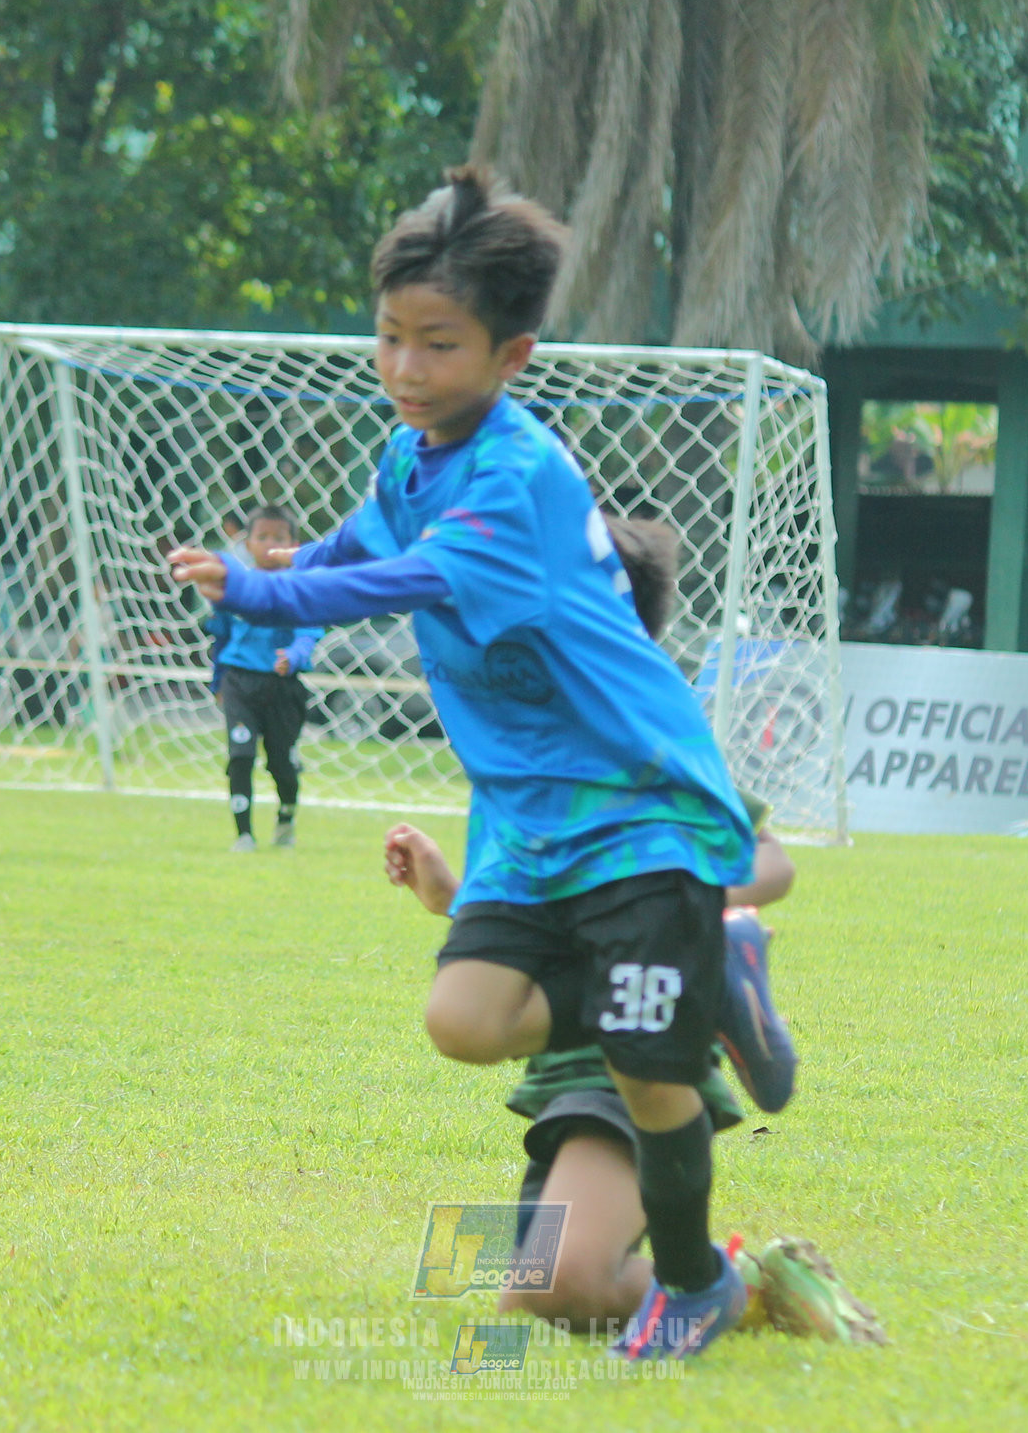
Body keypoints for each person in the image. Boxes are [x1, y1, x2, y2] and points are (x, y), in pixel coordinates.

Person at [169, 166, 794, 1359]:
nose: (403, 366)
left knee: (644, 1078)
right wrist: (302, 563)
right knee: (461, 1017)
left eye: (436, 344)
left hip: (631, 797)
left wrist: (262, 586)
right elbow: (371, 535)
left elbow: (406, 577)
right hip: (527, 812)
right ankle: (692, 997)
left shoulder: (514, 477)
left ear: (511, 355)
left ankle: (694, 1279)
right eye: (390, 337)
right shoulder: (413, 454)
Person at [378, 521, 873, 1345]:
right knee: (533, 1294)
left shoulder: (646, 739)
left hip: (635, 1057)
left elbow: (770, 861)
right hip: (567, 1067)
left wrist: (672, 910)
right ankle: (734, 1271)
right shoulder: (520, 752)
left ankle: (739, 1279)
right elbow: (538, 925)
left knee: (567, 1281)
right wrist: (451, 898)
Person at [202, 507, 322, 851]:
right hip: (239, 683)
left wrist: (294, 655)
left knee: (281, 762)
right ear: (248, 543)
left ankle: (285, 821)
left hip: (283, 686)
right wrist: (218, 683)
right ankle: (243, 835)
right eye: (262, 537)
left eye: (279, 538)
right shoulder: (236, 589)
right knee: (240, 754)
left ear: (293, 545)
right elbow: (221, 636)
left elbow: (309, 633)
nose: (270, 545)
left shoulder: (299, 588)